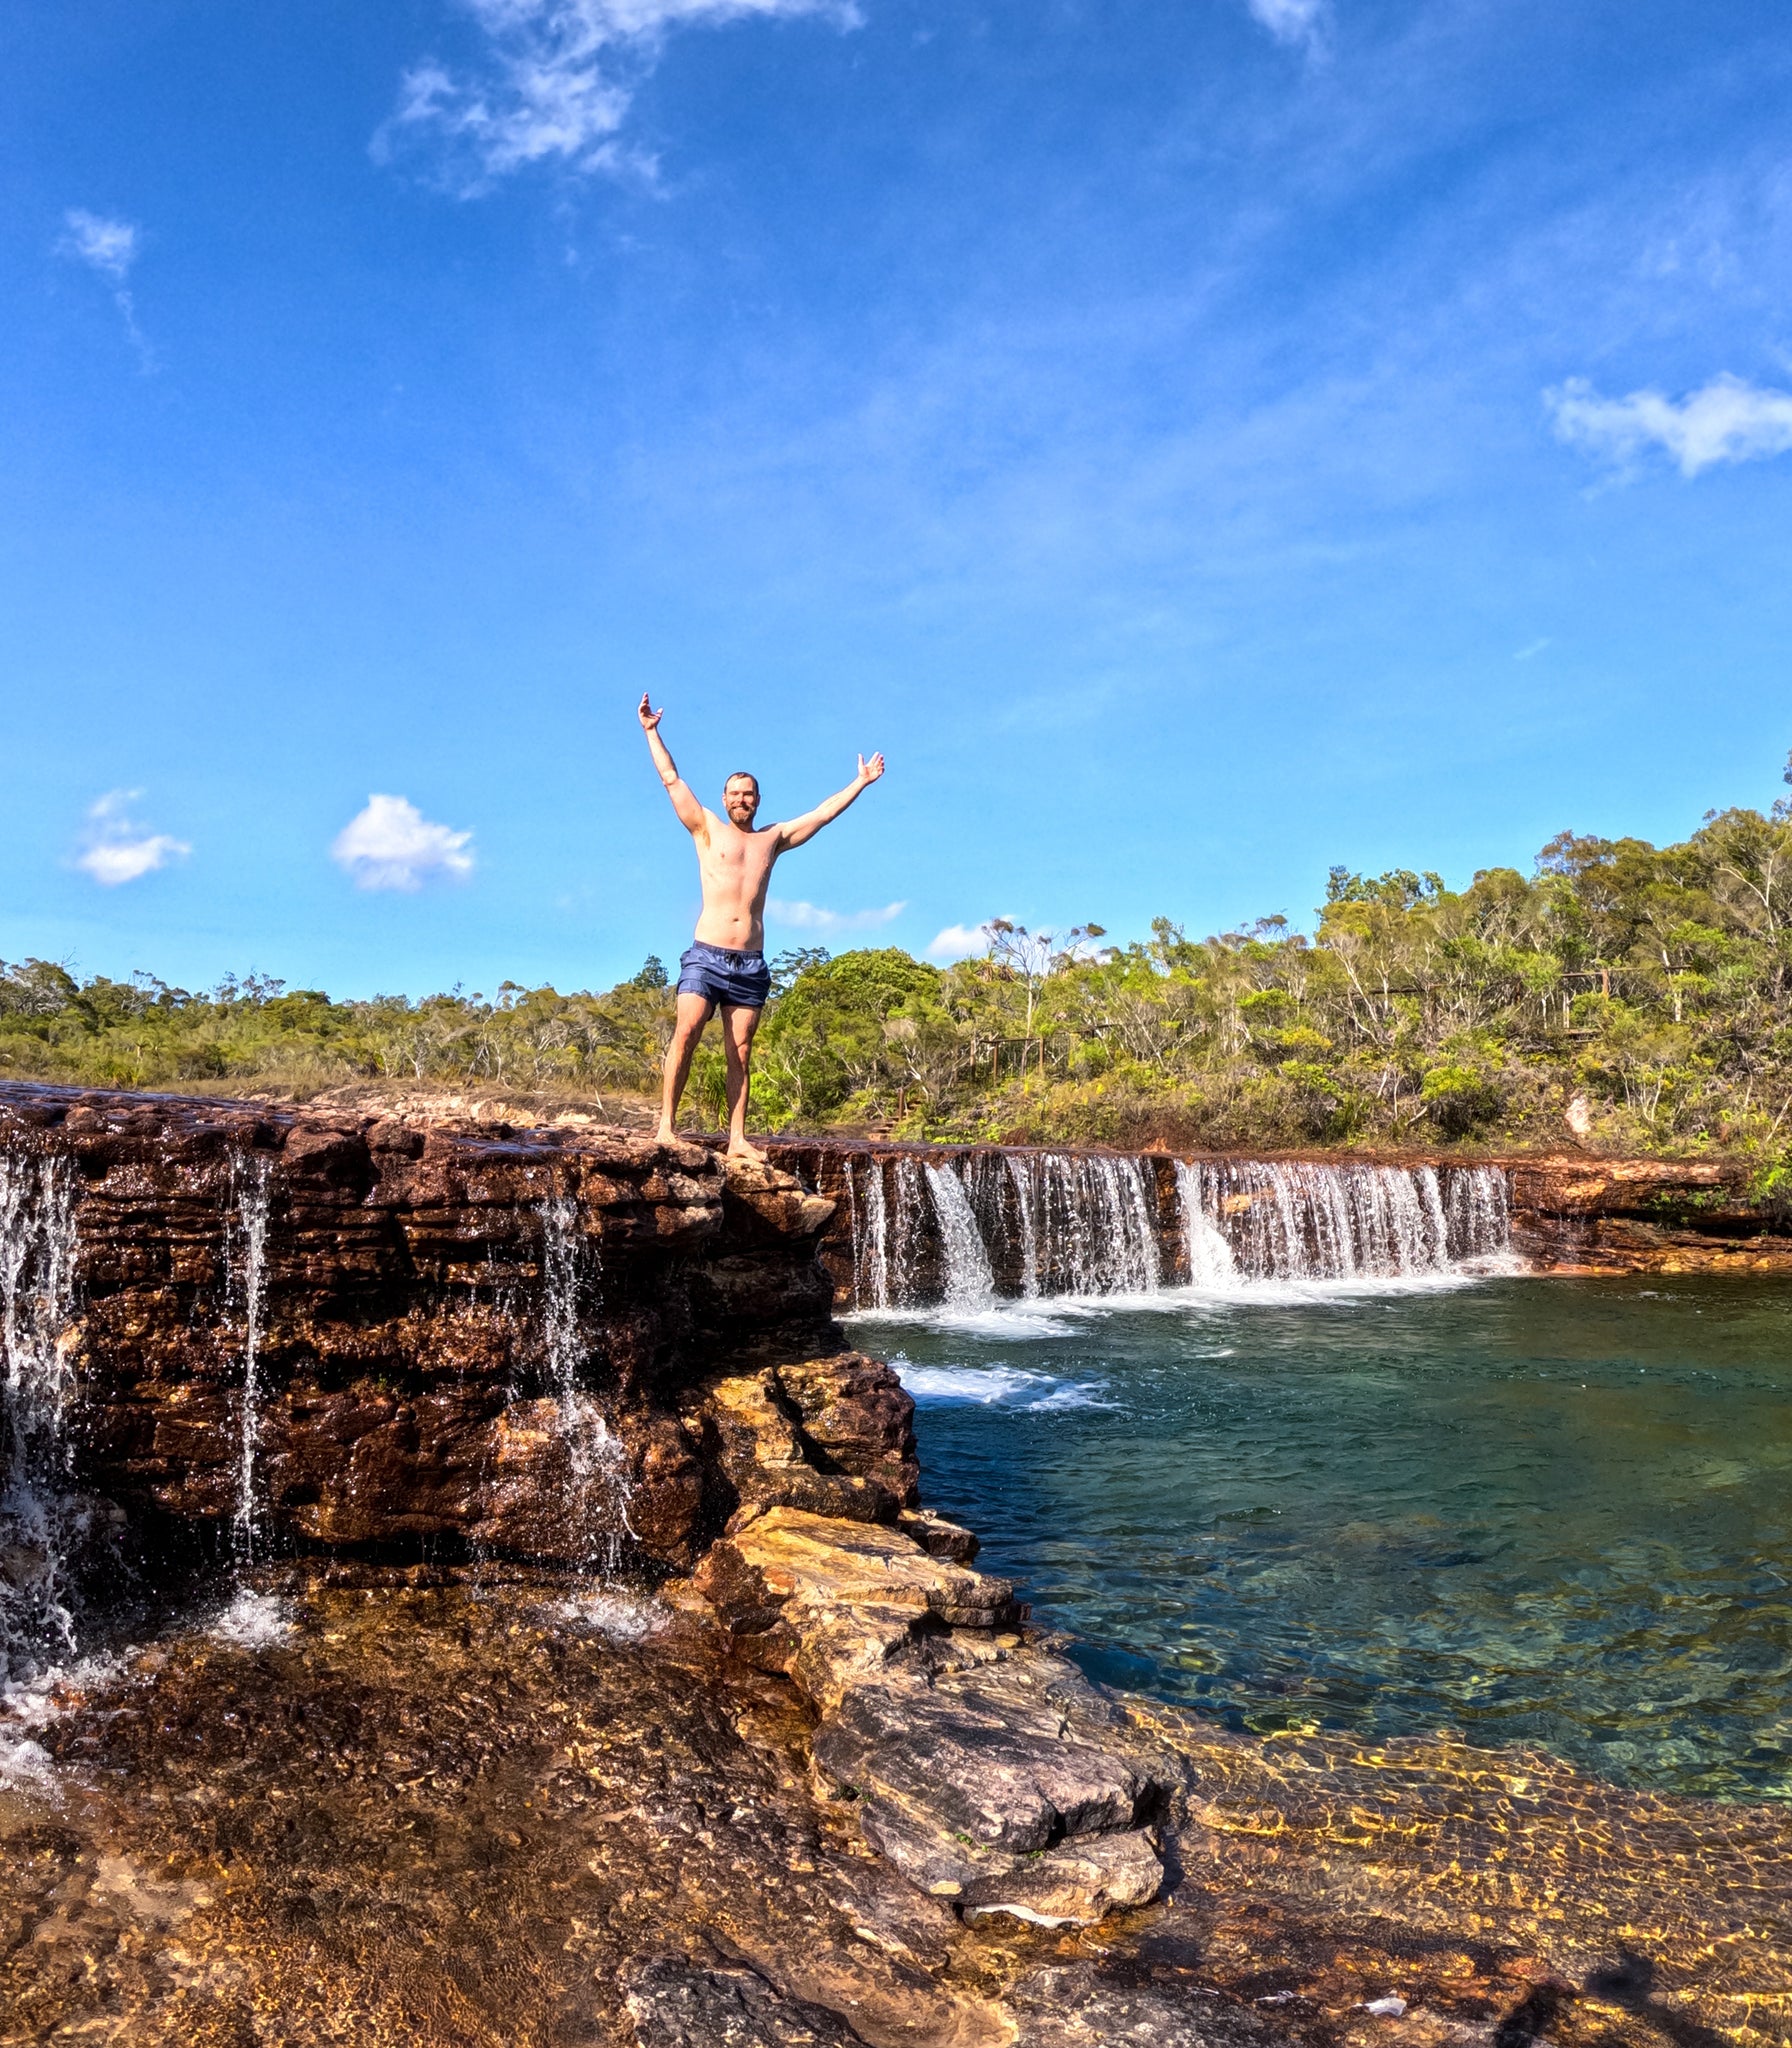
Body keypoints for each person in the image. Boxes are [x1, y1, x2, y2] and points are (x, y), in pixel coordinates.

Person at [638, 693, 885, 1160]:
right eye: (734, 794)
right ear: (724, 799)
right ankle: (666, 1127)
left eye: (748, 794)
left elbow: (823, 813)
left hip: (749, 963)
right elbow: (671, 779)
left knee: (742, 1052)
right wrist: (652, 731)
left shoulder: (773, 839)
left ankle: (736, 1139)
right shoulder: (706, 828)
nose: (741, 800)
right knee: (686, 1033)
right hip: (706, 954)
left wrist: (861, 782)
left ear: (757, 800)